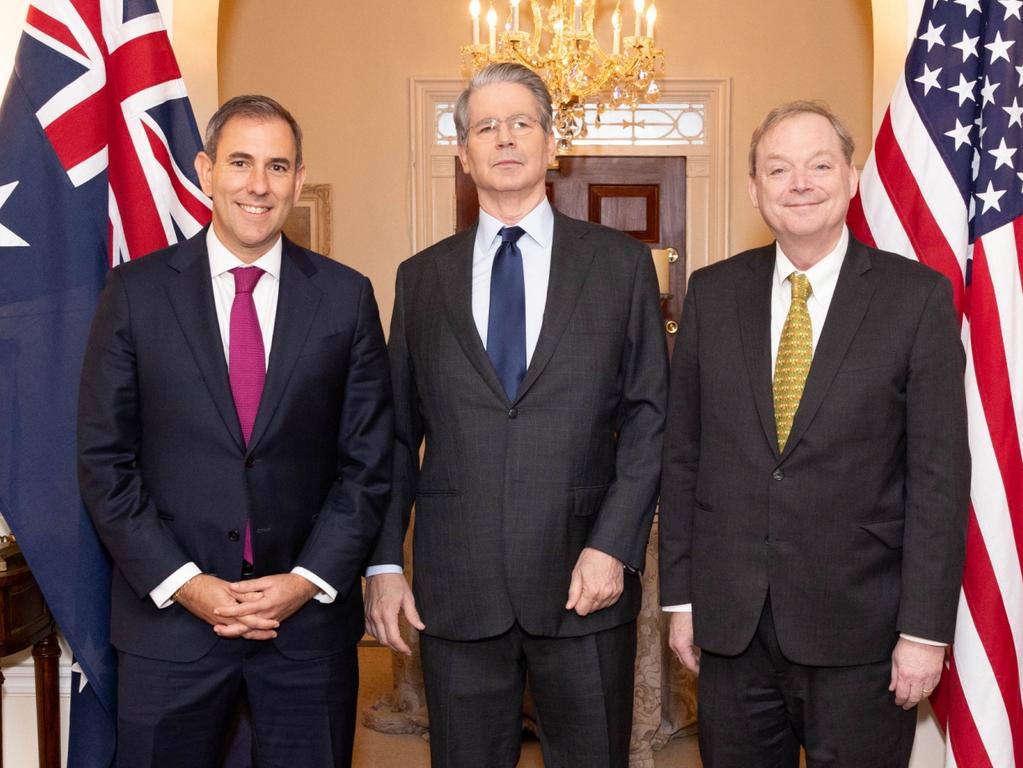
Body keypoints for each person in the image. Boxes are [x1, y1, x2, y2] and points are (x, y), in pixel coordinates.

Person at [364, 62, 668, 768]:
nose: (504, 138)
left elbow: (653, 417)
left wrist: (612, 545)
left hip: (584, 584)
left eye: (521, 123)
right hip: (456, 589)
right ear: (464, 155)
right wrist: (383, 560)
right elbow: (393, 434)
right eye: (485, 127)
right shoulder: (421, 279)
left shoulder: (620, 268)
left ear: (551, 145)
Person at [77, 94, 392, 768]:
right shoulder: (134, 293)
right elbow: (105, 463)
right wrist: (190, 584)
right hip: (169, 628)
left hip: (305, 630)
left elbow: (366, 464)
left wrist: (304, 580)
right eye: (241, 162)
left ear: (298, 180)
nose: (258, 184)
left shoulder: (344, 297)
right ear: (204, 170)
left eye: (277, 167)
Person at [658, 100, 970, 767]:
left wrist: (924, 631)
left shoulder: (915, 299)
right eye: (778, 168)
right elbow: (682, 457)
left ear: (850, 177)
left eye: (818, 164)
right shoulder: (712, 296)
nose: (799, 183)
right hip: (732, 631)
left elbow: (938, 481)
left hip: (863, 633)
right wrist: (680, 600)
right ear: (754, 189)